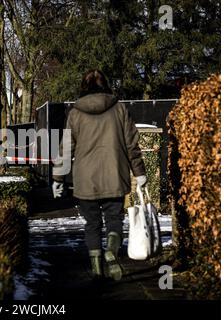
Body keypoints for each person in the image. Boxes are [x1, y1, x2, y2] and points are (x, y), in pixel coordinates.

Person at [52, 69, 147, 281]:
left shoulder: (75, 114)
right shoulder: (119, 109)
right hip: (115, 175)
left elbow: (65, 148)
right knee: (114, 219)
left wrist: (58, 179)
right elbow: (132, 145)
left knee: (92, 224)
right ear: (105, 84)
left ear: (83, 87)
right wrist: (139, 173)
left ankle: (96, 269)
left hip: (85, 180)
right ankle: (111, 252)